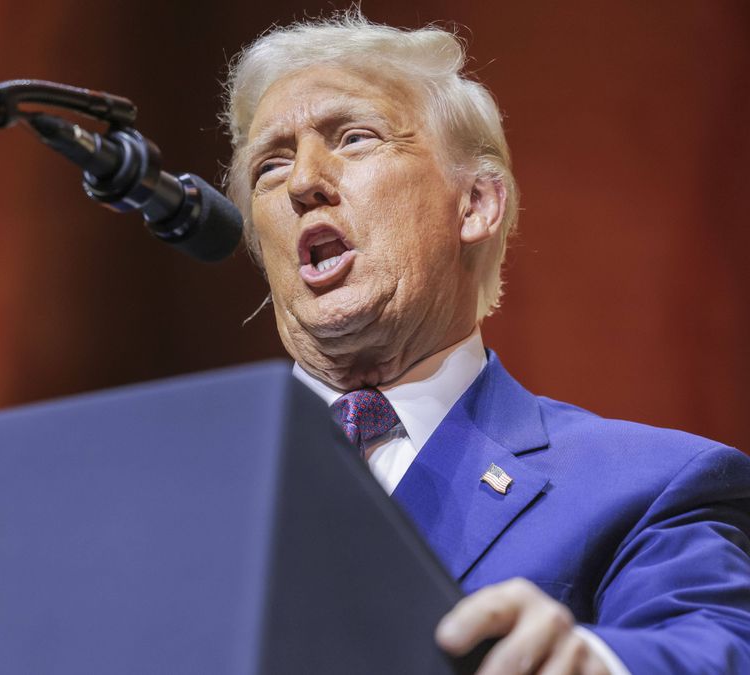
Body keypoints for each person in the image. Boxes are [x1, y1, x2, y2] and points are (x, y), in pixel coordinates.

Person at [222, 11, 750, 675]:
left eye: (354, 138)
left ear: (474, 204)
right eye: (271, 164)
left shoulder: (648, 485)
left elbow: (718, 648)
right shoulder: (179, 492)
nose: (303, 182)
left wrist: (593, 663)